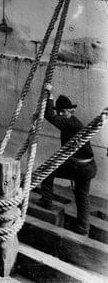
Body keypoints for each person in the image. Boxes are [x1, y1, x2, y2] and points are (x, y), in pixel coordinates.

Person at [39, 87, 98, 235]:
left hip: (78, 167)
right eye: (59, 112)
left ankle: (46, 202)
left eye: (62, 112)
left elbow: (49, 115)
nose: (59, 114)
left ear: (69, 111)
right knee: (82, 197)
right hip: (89, 167)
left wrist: (49, 95)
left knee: (46, 171)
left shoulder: (69, 123)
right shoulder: (74, 122)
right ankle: (83, 229)